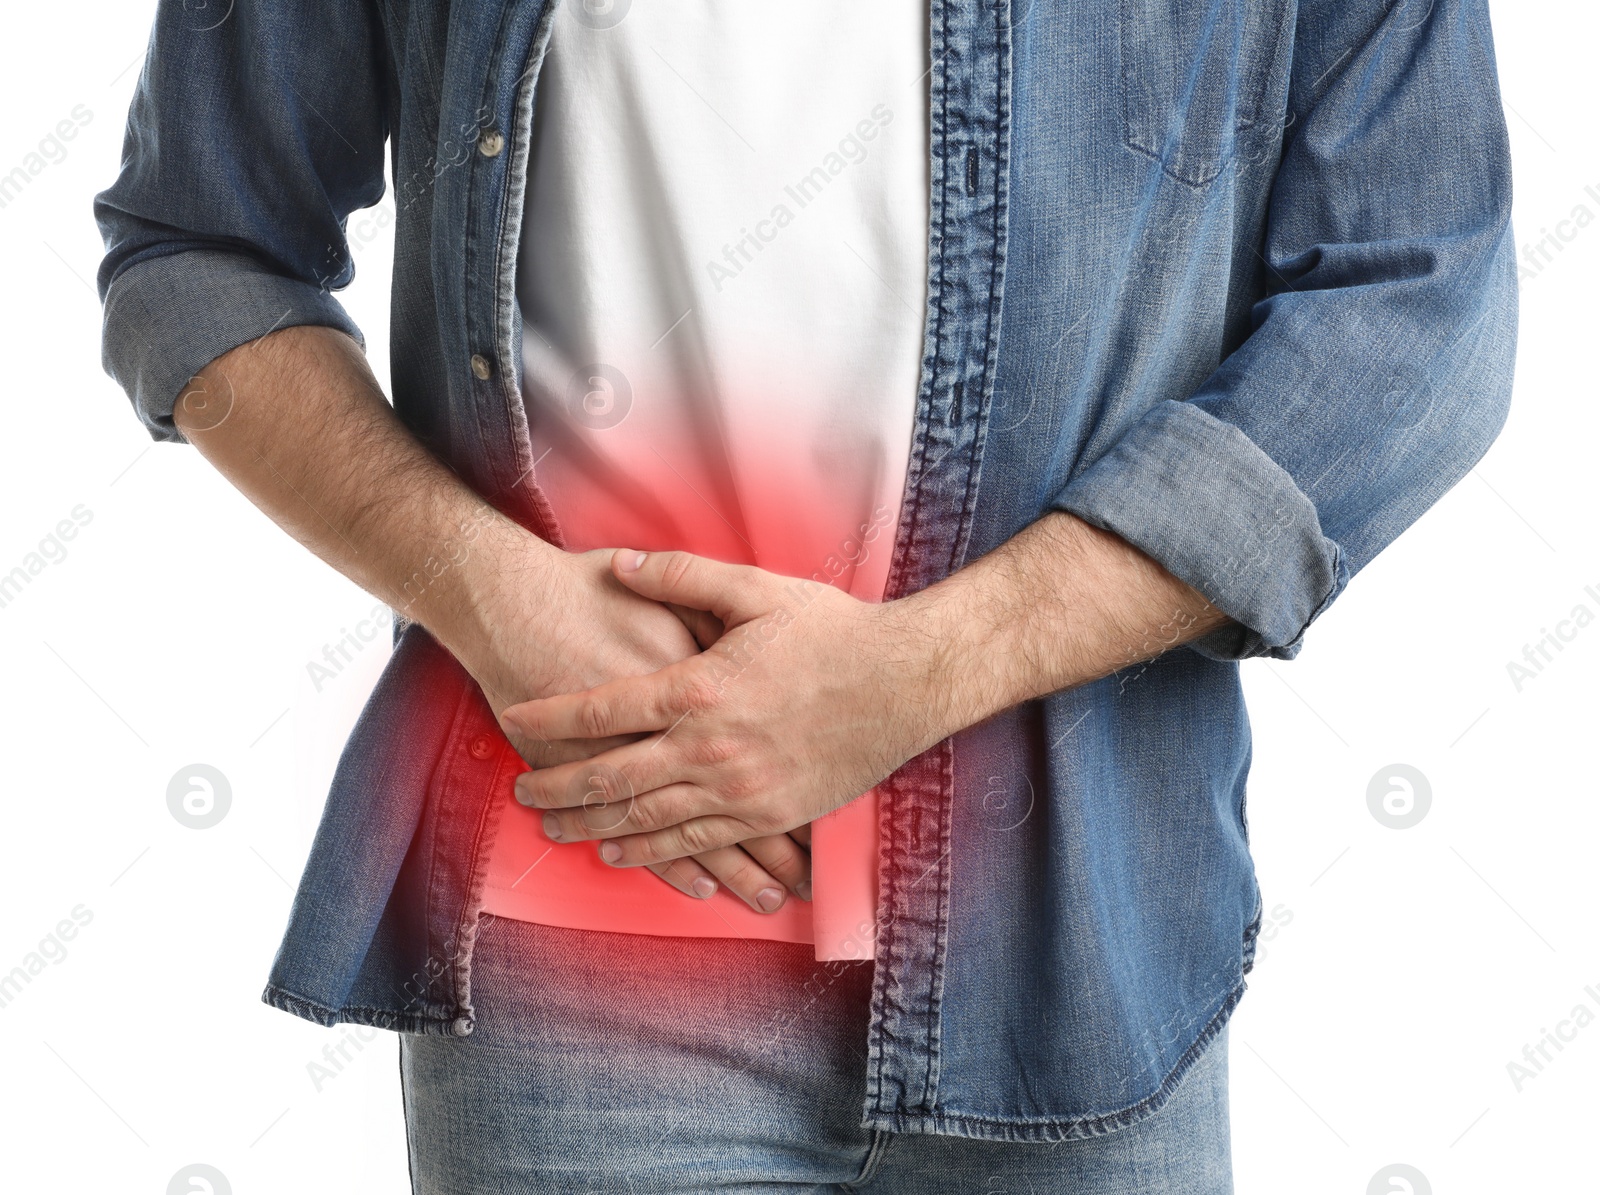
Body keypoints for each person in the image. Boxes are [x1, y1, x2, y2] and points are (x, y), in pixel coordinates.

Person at [94, 0, 1517, 1191]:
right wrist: (483, 588)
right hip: (582, 930)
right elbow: (199, 250)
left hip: (1081, 940)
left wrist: (920, 674)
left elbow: (1417, 300)